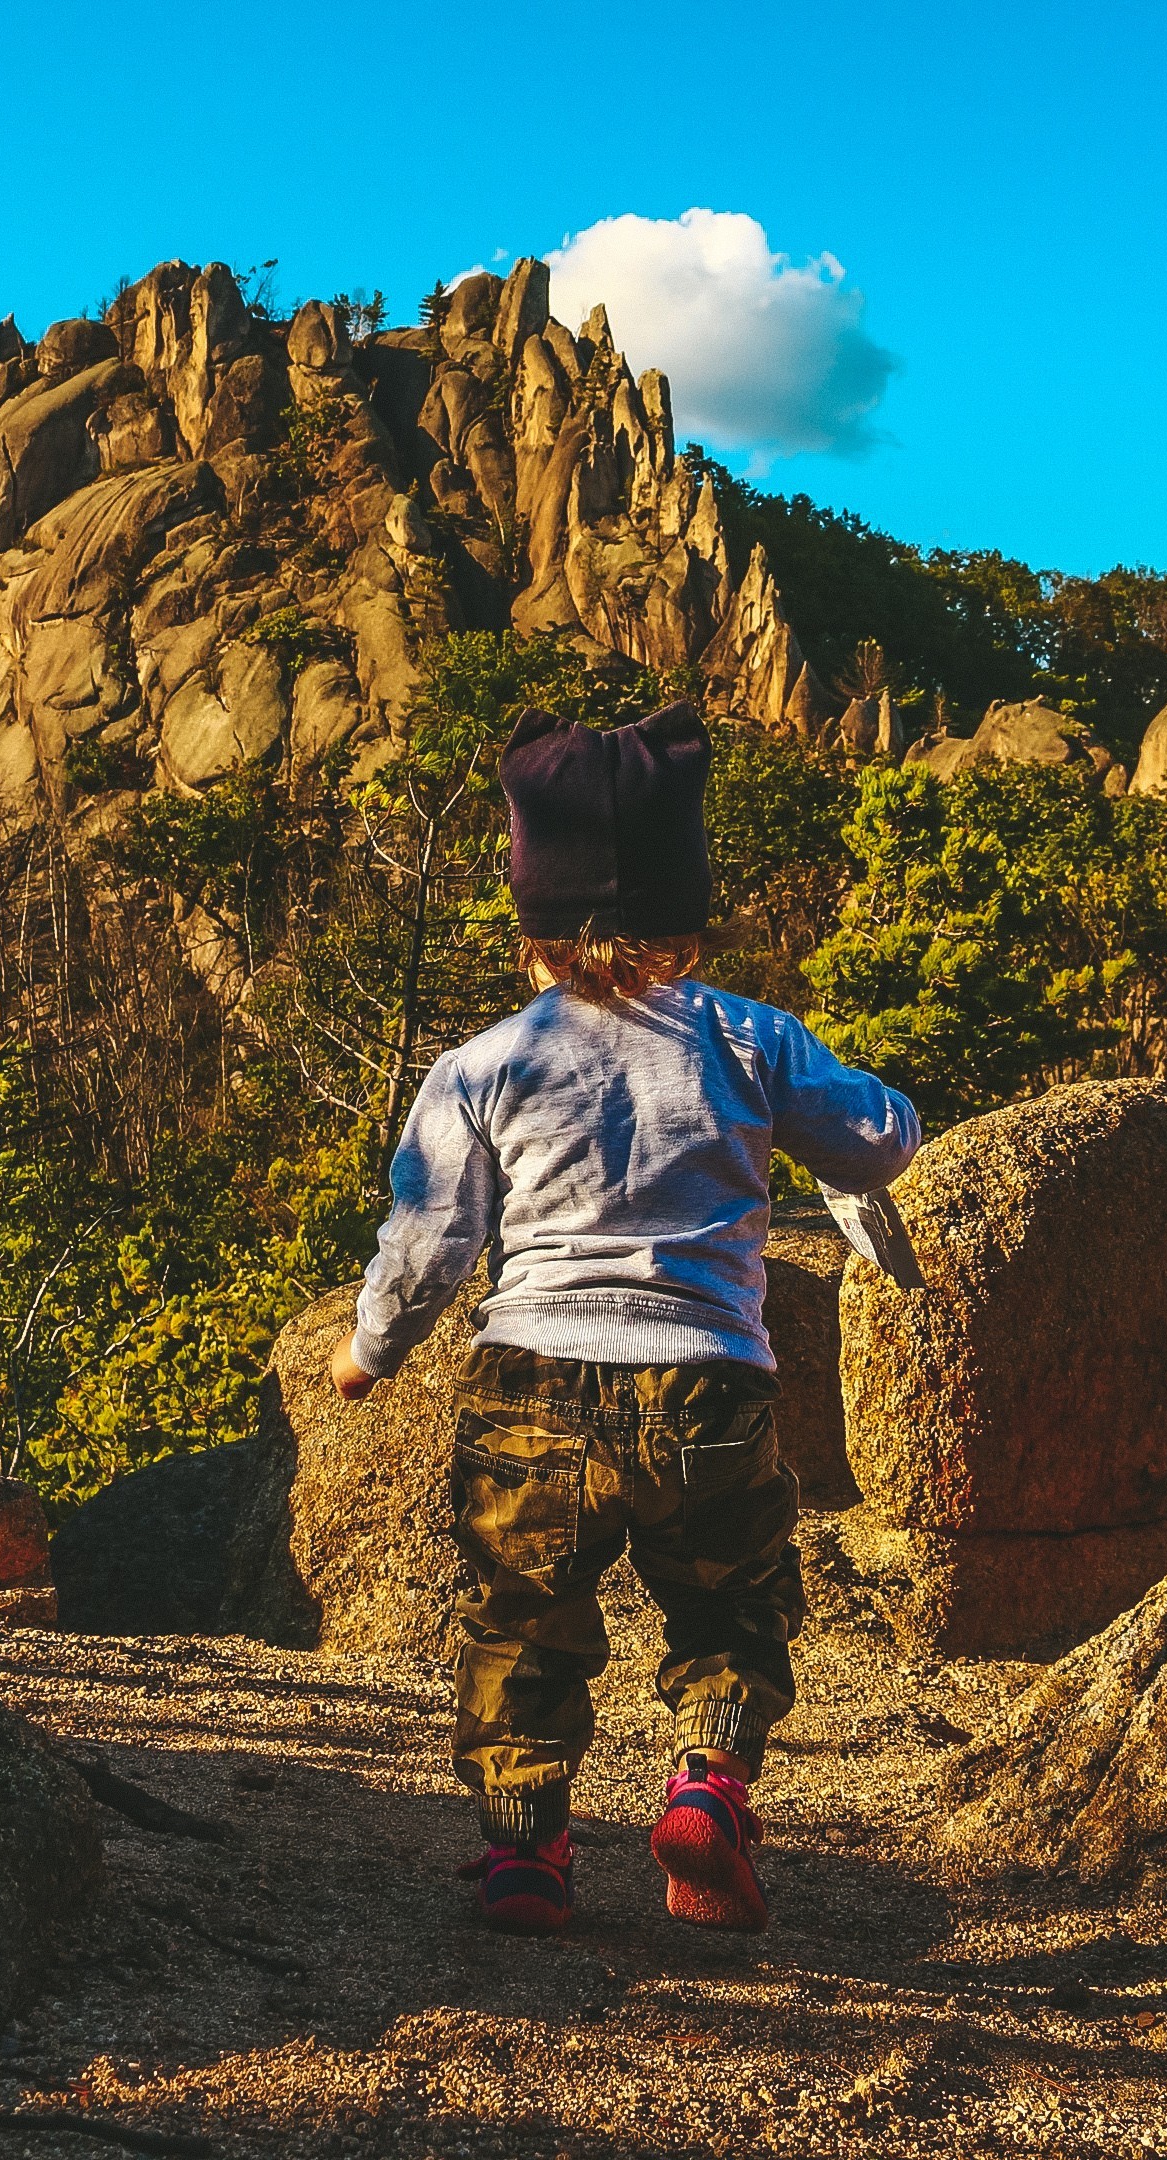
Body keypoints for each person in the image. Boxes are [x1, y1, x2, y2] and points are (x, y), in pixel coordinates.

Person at [328, 702, 919, 1936]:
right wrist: (886, 1110)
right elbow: (873, 1144)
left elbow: (430, 1236)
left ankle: (526, 1856)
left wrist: (369, 1348)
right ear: (688, 916)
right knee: (731, 1605)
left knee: (521, 1622)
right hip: (709, 1380)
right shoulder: (750, 1039)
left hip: (530, 1378)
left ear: (528, 926)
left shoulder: (486, 1064)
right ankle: (706, 1784)